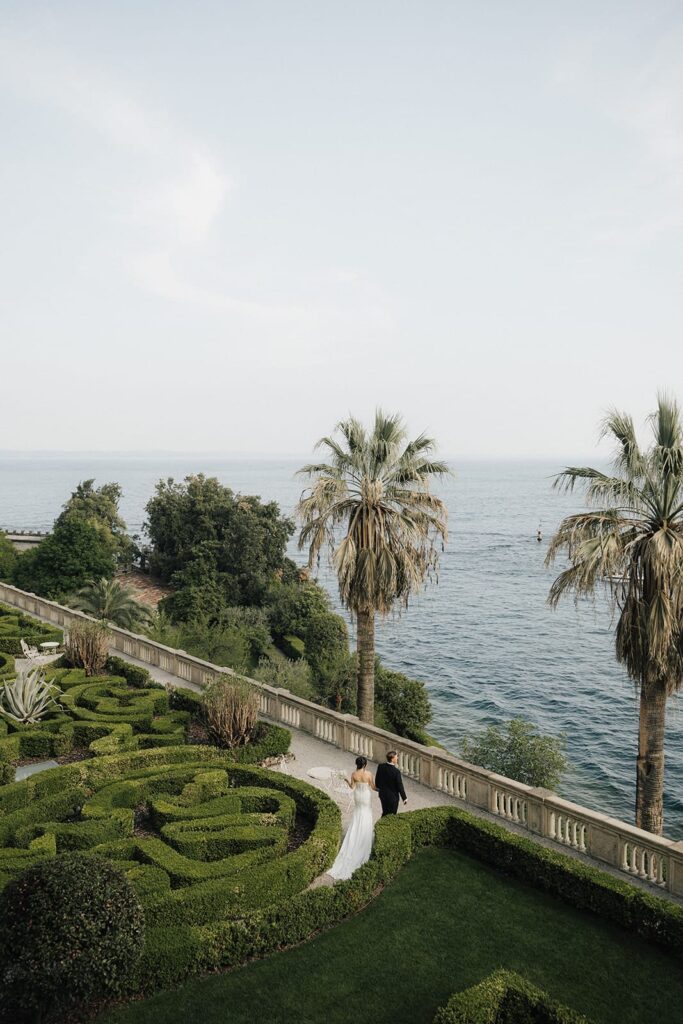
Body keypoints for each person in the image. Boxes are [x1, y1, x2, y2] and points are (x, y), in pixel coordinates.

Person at [328, 756, 377, 880]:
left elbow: (352, 787)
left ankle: (355, 834)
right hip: (365, 796)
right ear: (365, 765)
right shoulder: (369, 774)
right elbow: (373, 787)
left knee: (358, 814)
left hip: (358, 797)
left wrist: (345, 779)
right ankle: (364, 834)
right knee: (366, 813)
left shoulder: (354, 774)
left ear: (357, 764)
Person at [375, 750, 407, 816]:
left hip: (383, 795)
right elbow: (400, 786)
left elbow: (377, 780)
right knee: (392, 815)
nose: (397, 758)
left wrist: (379, 789)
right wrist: (404, 798)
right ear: (392, 759)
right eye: (396, 757)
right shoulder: (396, 772)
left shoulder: (381, 766)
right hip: (393, 798)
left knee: (385, 812)